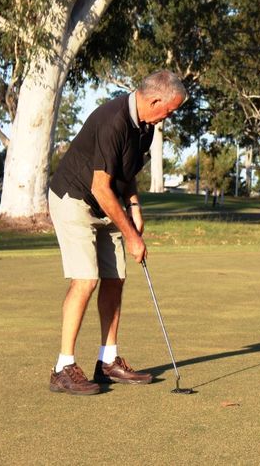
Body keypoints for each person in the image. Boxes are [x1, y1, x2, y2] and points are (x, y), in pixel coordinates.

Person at [47, 70, 187, 395]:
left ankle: (107, 361)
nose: (169, 117)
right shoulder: (113, 121)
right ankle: (62, 368)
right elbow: (100, 186)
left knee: (115, 277)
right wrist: (132, 236)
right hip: (75, 198)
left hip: (106, 200)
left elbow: (127, 173)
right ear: (154, 100)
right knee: (86, 279)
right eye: (169, 110)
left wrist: (135, 206)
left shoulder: (146, 128)